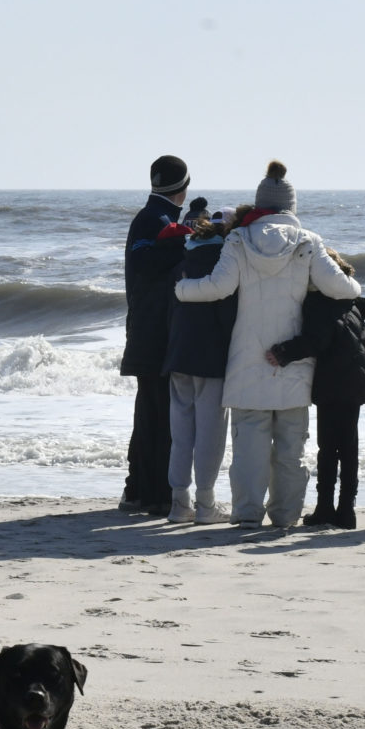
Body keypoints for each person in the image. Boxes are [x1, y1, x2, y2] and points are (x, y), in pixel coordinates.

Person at [172, 161, 362, 529]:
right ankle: (286, 516)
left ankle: (246, 515)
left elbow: (219, 287)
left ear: (260, 204)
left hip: (246, 361)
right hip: (292, 362)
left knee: (249, 450)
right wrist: (356, 289)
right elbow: (340, 287)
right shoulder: (308, 241)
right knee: (291, 448)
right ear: (292, 207)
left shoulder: (239, 240)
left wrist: (182, 289)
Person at [267, 251, 365, 529]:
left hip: (333, 383)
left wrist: (282, 352)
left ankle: (326, 508)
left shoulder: (319, 301)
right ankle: (347, 510)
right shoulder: (349, 300)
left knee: (328, 448)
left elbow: (316, 340)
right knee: (349, 447)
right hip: (357, 380)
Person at [118, 155, 190, 514]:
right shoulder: (155, 220)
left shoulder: (152, 218)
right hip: (154, 332)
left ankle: (139, 490)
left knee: (151, 412)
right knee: (158, 414)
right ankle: (152, 493)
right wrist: (185, 239)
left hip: (148, 330)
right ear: (184, 189)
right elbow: (148, 264)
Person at [161, 199, 235, 525]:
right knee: (210, 435)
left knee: (181, 434)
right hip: (211, 360)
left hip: (178, 356)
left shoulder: (183, 264)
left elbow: (169, 314)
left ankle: (179, 503)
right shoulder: (223, 265)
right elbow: (229, 318)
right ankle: (205, 504)